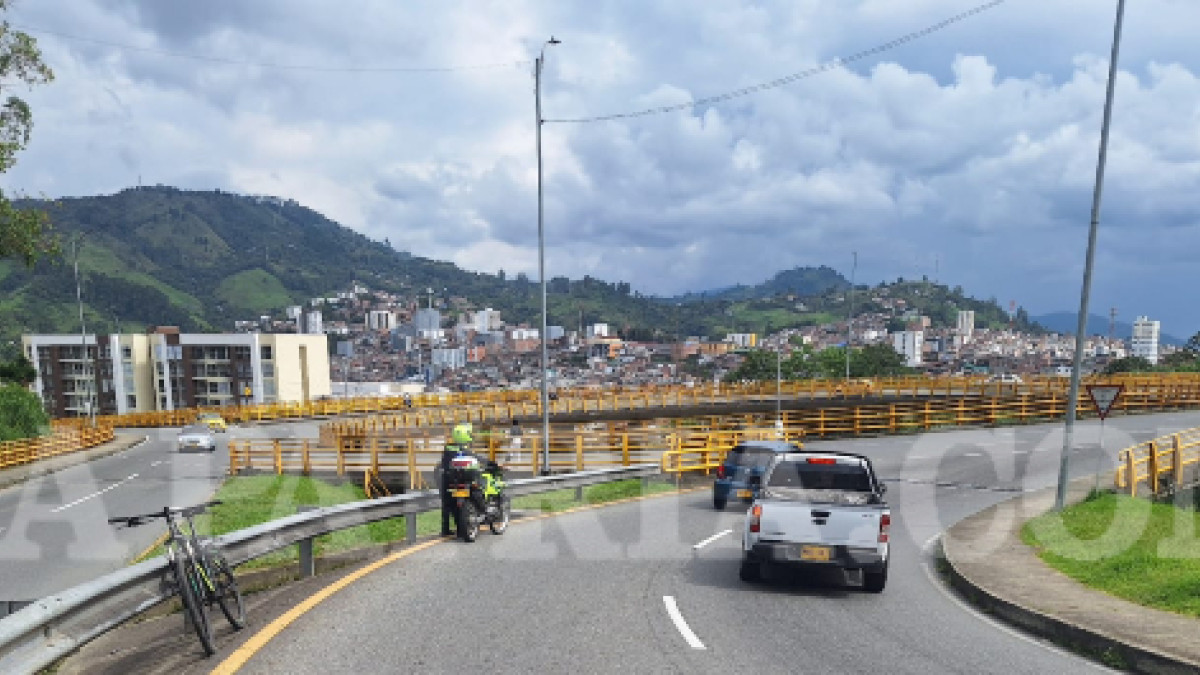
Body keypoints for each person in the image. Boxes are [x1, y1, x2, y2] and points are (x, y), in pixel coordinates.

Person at [439, 422, 476, 536]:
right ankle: (461, 529)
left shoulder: (447, 448)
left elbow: (443, 464)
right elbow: (477, 461)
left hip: (447, 480)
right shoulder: (465, 450)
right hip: (461, 480)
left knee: (446, 505)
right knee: (459, 505)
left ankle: (445, 529)